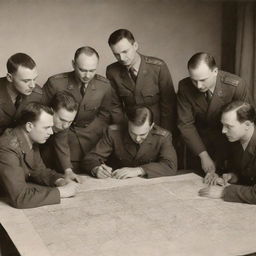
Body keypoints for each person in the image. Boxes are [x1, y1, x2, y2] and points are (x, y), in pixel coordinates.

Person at [177, 52, 250, 178]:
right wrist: (203, 155)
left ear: (215, 71)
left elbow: (247, 121)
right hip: (199, 146)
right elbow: (185, 124)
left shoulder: (236, 85)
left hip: (230, 145)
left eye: (203, 80)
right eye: (194, 80)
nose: (199, 86)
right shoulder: (184, 86)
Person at [43, 46, 111, 171]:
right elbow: (42, 114)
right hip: (59, 141)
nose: (87, 75)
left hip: (91, 140)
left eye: (92, 70)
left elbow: (106, 114)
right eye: (82, 70)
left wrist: (94, 131)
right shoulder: (55, 83)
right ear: (73, 64)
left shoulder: (104, 85)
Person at [0, 103, 79, 209]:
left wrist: (59, 181)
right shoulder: (7, 147)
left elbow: (38, 170)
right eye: (46, 127)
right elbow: (20, 198)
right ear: (29, 126)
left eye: (51, 127)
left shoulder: (29, 137)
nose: (51, 132)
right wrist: (61, 192)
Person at [106, 29, 177, 134]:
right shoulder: (112, 71)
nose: (122, 58)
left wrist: (165, 134)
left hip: (157, 128)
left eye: (125, 51)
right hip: (130, 129)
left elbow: (169, 106)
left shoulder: (158, 67)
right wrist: (124, 132)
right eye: (116, 54)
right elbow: (115, 107)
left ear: (135, 46)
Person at [81, 107, 177, 179]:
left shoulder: (163, 137)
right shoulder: (113, 132)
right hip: (117, 184)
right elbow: (90, 158)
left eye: (143, 134)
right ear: (128, 124)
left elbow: (170, 165)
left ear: (151, 126)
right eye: (133, 133)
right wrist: (96, 169)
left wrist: (139, 170)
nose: (138, 139)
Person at [199, 101, 256, 204]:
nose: (223, 131)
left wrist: (224, 192)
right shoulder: (236, 140)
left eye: (229, 126)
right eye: (223, 125)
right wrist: (233, 176)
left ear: (247, 125)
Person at [40, 91, 82, 183]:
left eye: (70, 122)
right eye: (62, 120)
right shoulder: (37, 120)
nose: (65, 126)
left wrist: (68, 171)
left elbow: (62, 144)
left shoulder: (63, 124)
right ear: (51, 111)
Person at [0, 53, 44, 135]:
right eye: (26, 81)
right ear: (10, 77)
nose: (32, 85)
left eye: (34, 79)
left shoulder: (37, 94)